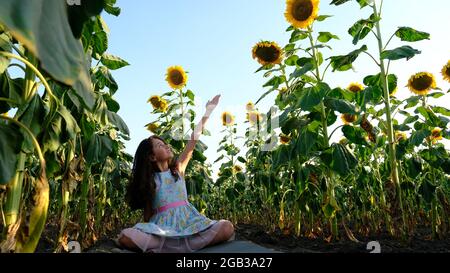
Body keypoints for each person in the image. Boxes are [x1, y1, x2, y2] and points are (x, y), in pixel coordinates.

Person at [116, 94, 235, 253]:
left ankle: (167, 248)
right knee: (126, 237)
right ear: (151, 156)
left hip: (189, 224)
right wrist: (145, 232)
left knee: (226, 227)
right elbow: (148, 216)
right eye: (160, 145)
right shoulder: (150, 181)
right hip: (163, 231)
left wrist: (208, 112)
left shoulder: (178, 170)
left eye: (165, 144)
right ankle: (175, 245)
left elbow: (193, 141)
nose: (166, 146)